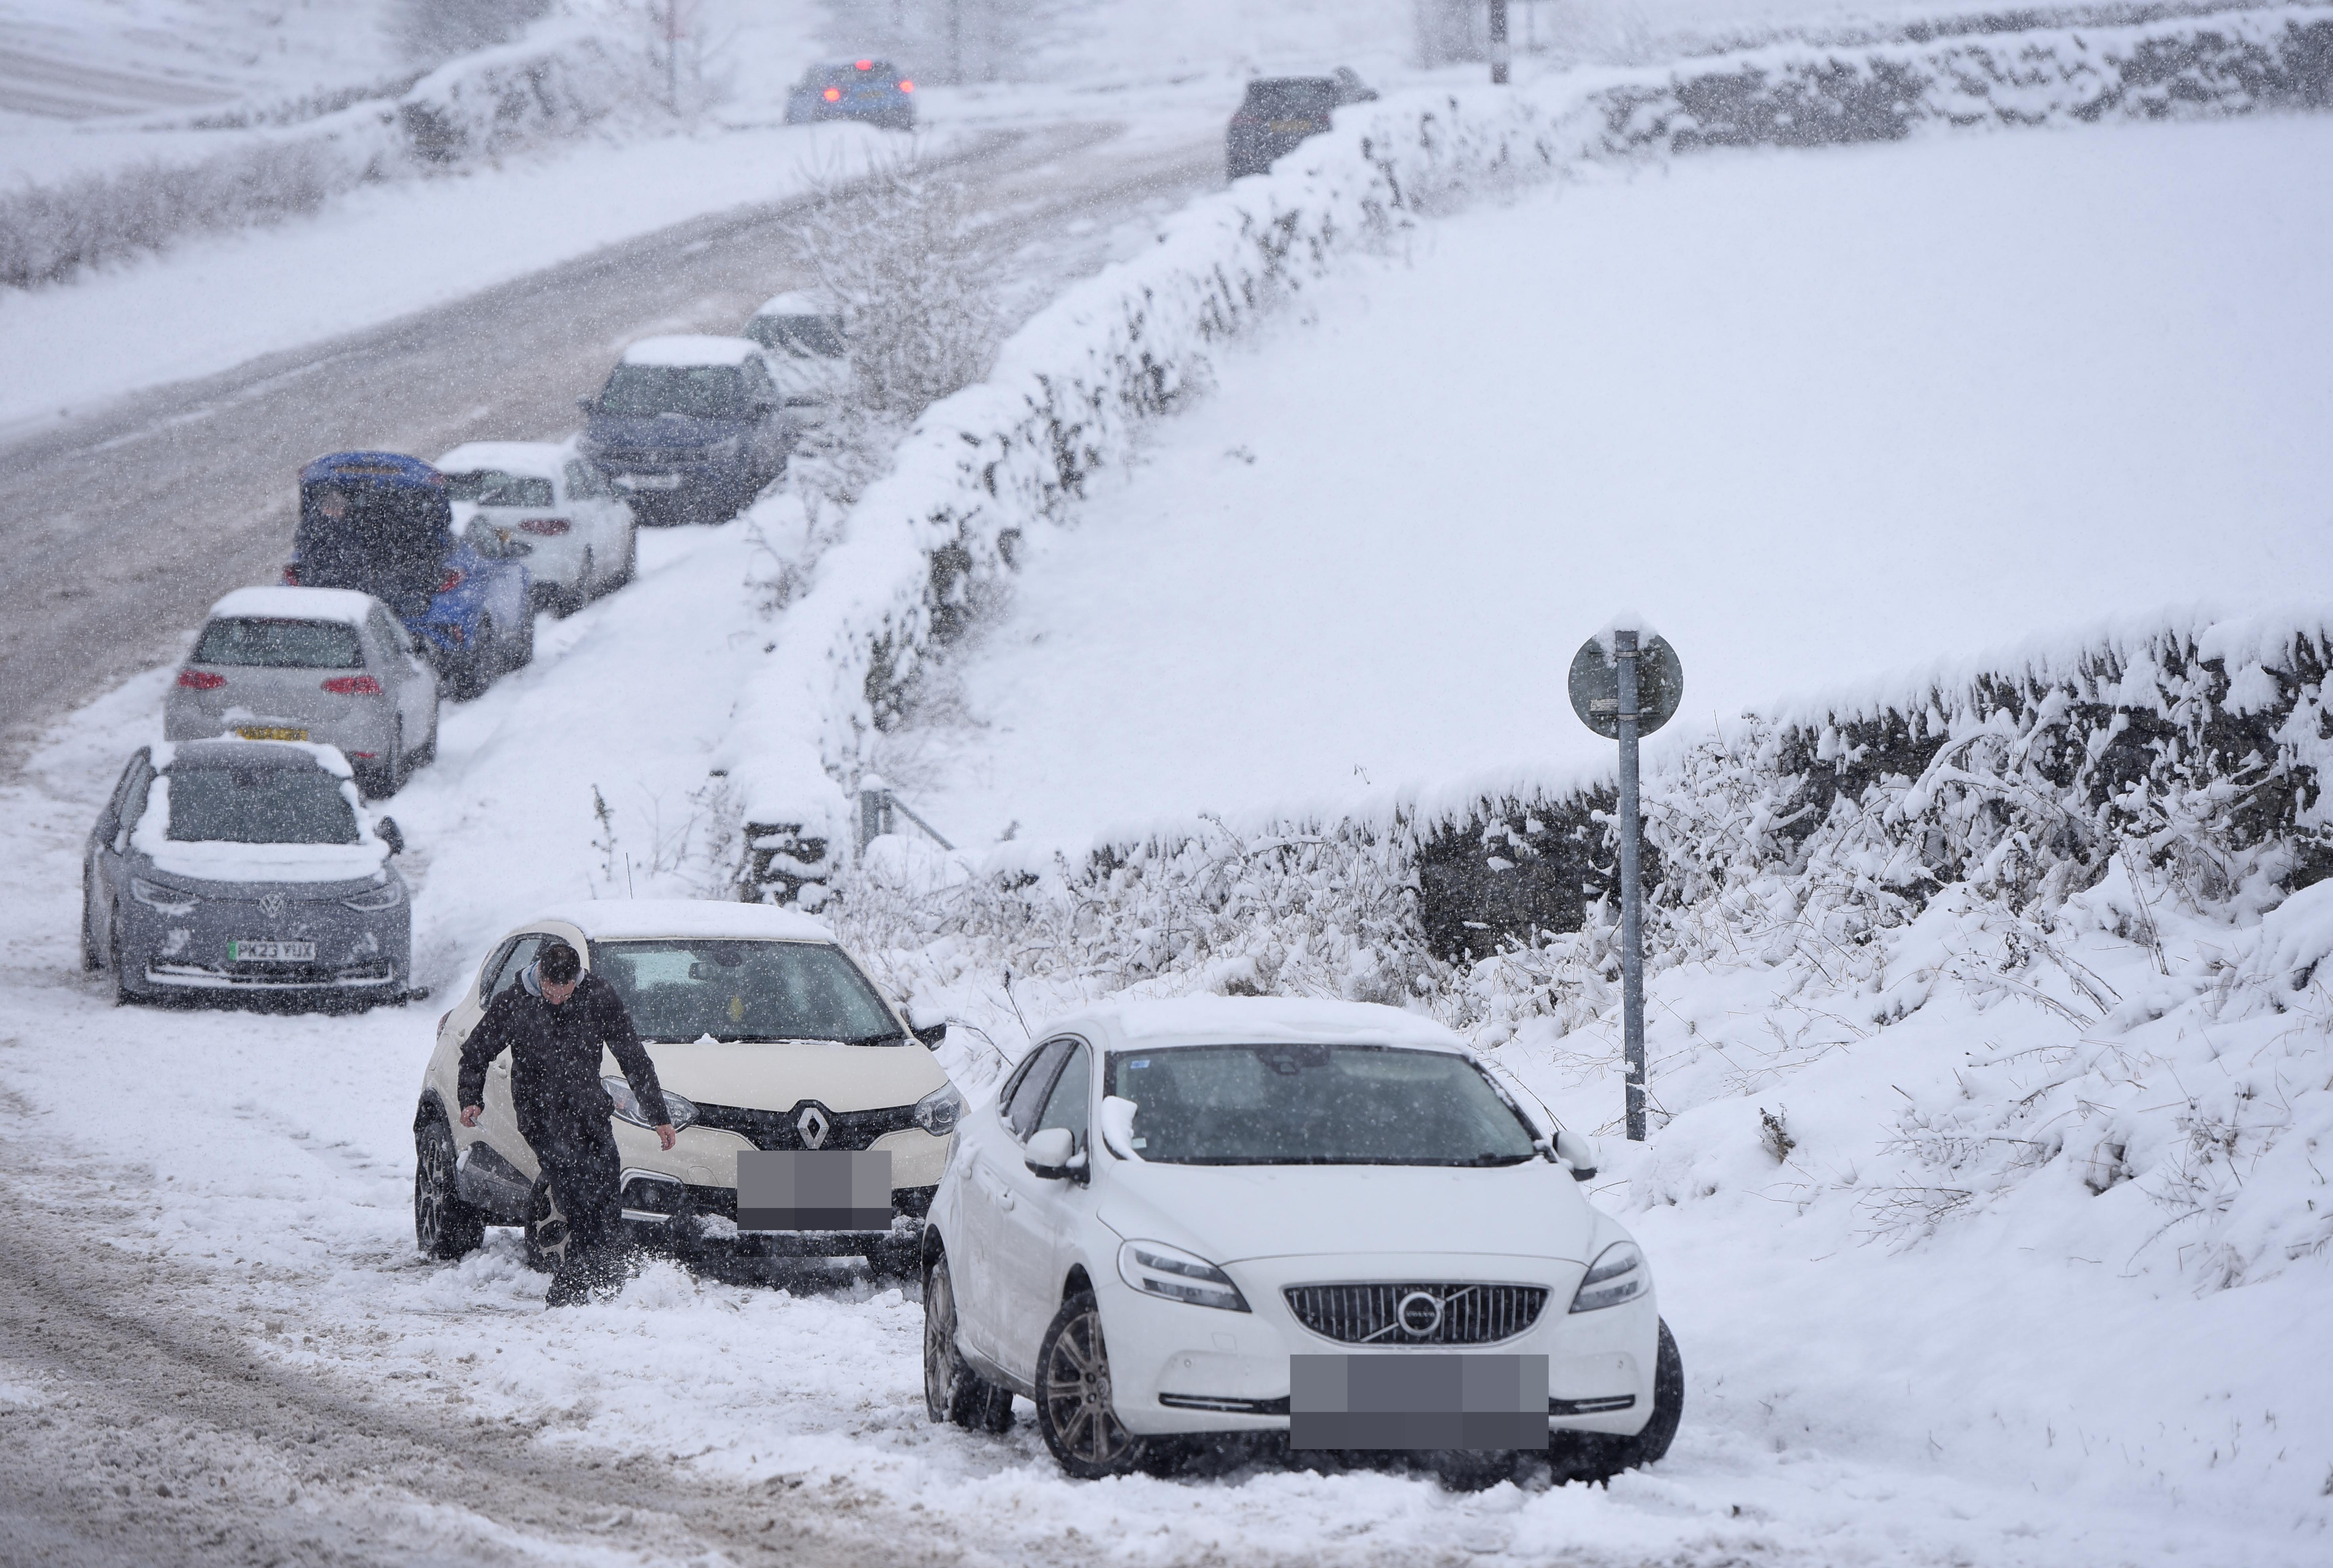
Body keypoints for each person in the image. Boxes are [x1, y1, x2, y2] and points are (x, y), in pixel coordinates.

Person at [457, 940, 675, 1306]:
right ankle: (572, 1290)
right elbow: (476, 1053)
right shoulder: (514, 1002)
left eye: (564, 992)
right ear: (540, 975)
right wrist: (470, 1099)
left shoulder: (598, 997)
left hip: (589, 1111)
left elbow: (633, 1057)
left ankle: (604, 1282)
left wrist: (659, 1116)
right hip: (541, 1116)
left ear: (576, 979)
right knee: (577, 1196)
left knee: (606, 1192)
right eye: (549, 992)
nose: (556, 999)